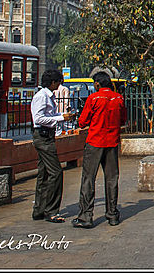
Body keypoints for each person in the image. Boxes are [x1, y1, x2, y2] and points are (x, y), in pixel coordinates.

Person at [72, 72, 127, 228]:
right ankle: (112, 214)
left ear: (97, 84)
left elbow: (82, 122)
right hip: (112, 142)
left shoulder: (93, 98)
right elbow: (123, 119)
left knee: (88, 178)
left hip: (95, 141)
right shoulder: (118, 98)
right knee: (111, 178)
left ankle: (86, 216)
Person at [30, 69, 76, 223]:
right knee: (56, 172)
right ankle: (51, 210)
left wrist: (61, 118)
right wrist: (61, 117)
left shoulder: (49, 97)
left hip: (47, 135)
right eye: (57, 82)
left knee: (44, 174)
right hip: (43, 137)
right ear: (52, 82)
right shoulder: (41, 97)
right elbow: (39, 118)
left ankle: (39, 209)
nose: (59, 85)